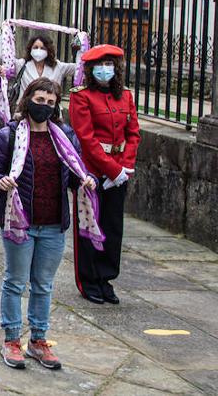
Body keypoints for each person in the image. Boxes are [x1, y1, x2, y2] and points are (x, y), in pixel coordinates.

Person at [0, 78, 97, 371]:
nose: (43, 105)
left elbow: (72, 174)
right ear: (27, 98)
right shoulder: (9, 135)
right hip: (19, 222)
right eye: (39, 99)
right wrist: (0, 181)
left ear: (56, 105)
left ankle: (38, 340)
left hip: (53, 224)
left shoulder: (65, 136)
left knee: (43, 285)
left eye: (49, 101)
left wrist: (85, 180)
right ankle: (11, 339)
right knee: (16, 281)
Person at [69, 44, 140, 305]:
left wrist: (123, 168)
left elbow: (133, 134)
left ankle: (106, 278)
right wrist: (111, 169)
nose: (104, 70)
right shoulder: (82, 96)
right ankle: (88, 279)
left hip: (120, 171)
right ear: (90, 69)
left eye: (109, 65)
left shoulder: (126, 97)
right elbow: (86, 138)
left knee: (112, 227)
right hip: (91, 171)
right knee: (89, 225)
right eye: (99, 65)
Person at [7, 35, 78, 100]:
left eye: (42, 48)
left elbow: (79, 67)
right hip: (25, 109)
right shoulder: (21, 64)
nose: (38, 50)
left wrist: (81, 46)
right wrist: (6, 33)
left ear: (48, 50)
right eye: (35, 47)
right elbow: (2, 57)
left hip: (50, 110)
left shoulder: (58, 66)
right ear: (30, 49)